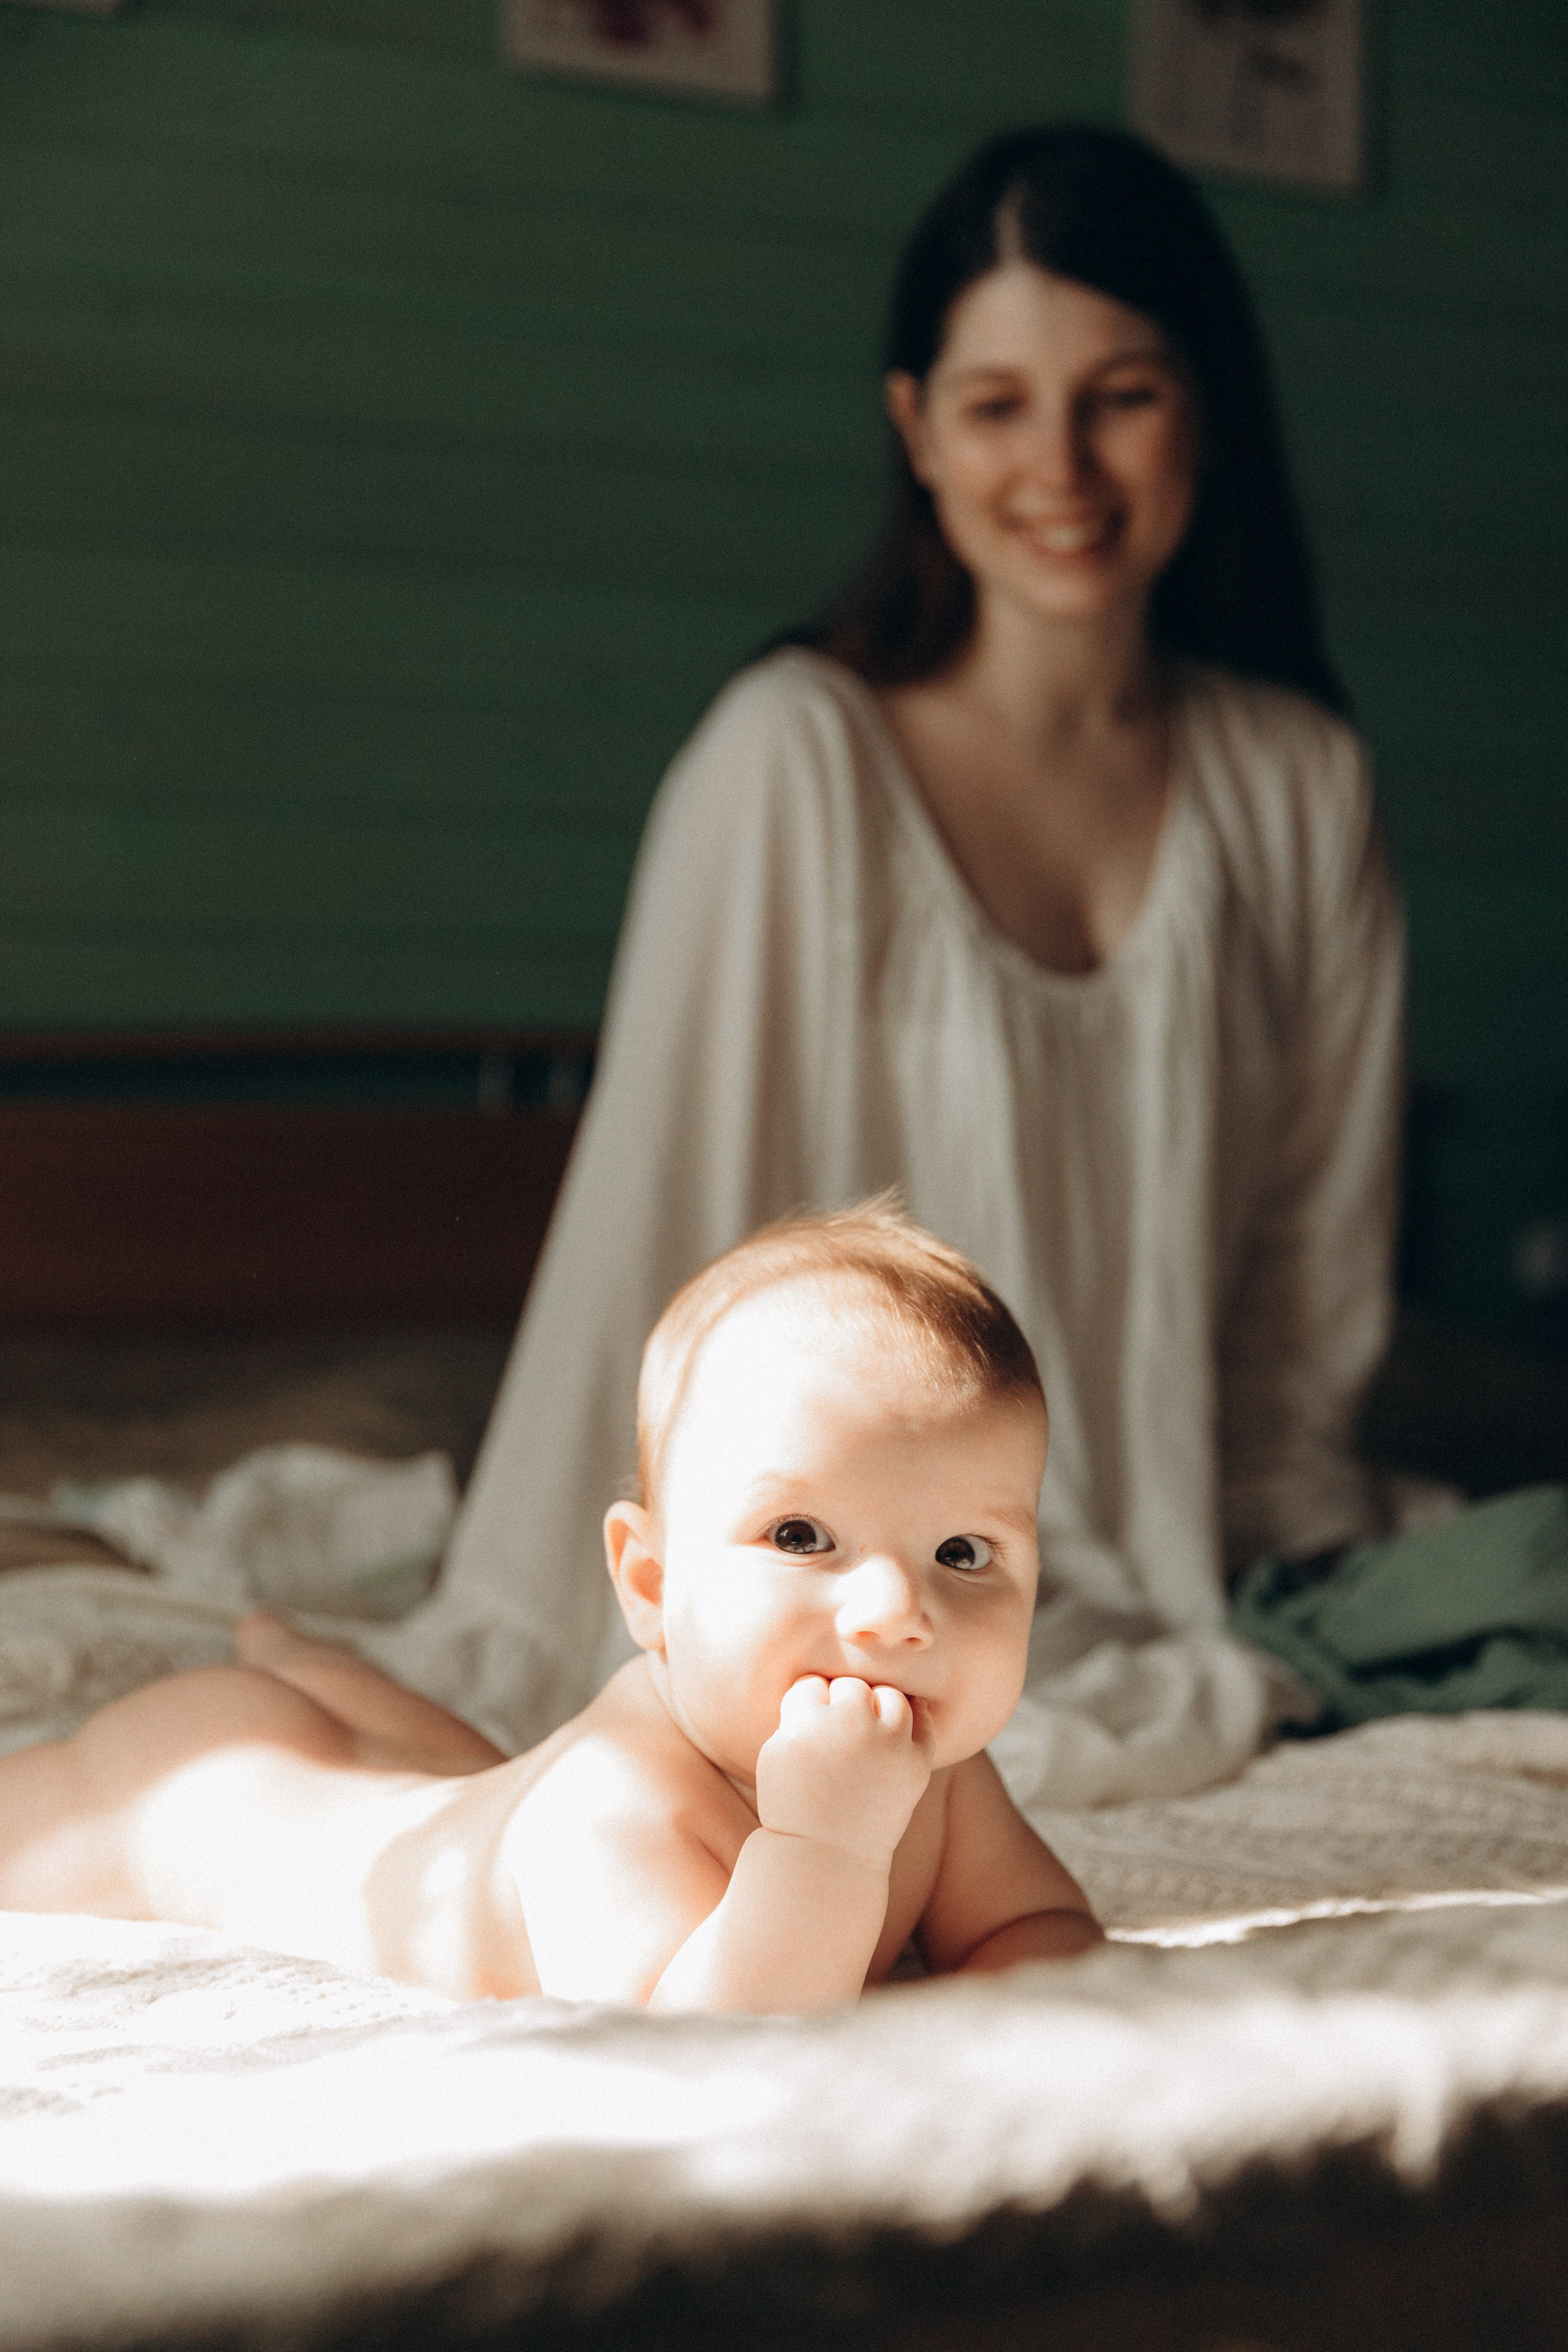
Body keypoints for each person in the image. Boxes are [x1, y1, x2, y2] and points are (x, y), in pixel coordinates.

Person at [372, 125, 1404, 1795]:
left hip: (1185, 1569)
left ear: (1206, 410)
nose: (1060, 465)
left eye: (1120, 396)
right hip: (835, 1572)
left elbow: (1314, 1254)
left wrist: (1291, 1566)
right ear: (917, 429)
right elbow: (657, 1229)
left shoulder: (1301, 783)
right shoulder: (792, 761)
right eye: (998, 406)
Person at [0, 1212, 1100, 2009]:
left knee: (455, 1769)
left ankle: (311, 1664)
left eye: (964, 1554)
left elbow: (1040, 1930)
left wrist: (995, 2023)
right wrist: (825, 1849)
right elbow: (704, 2054)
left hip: (457, 1792)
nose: (898, 1614)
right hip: (240, 1805)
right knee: (103, 1814)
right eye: (803, 1537)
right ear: (651, 1585)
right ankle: (283, 1679)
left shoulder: (936, 1770)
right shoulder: (616, 1804)